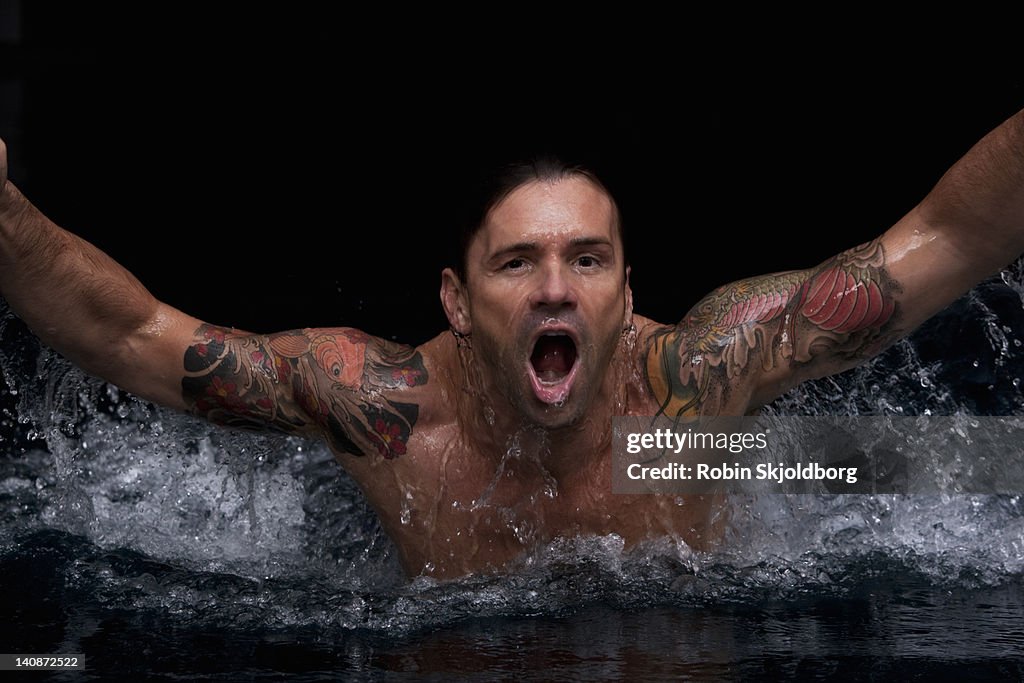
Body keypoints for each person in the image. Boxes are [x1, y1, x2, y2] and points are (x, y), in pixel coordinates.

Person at [1, 107, 1023, 580]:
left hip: (674, 571)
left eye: (586, 261)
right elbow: (136, 336)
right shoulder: (390, 415)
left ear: (628, 295)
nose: (551, 290)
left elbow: (944, 240)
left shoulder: (690, 392)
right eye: (514, 264)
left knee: (921, 470)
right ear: (455, 300)